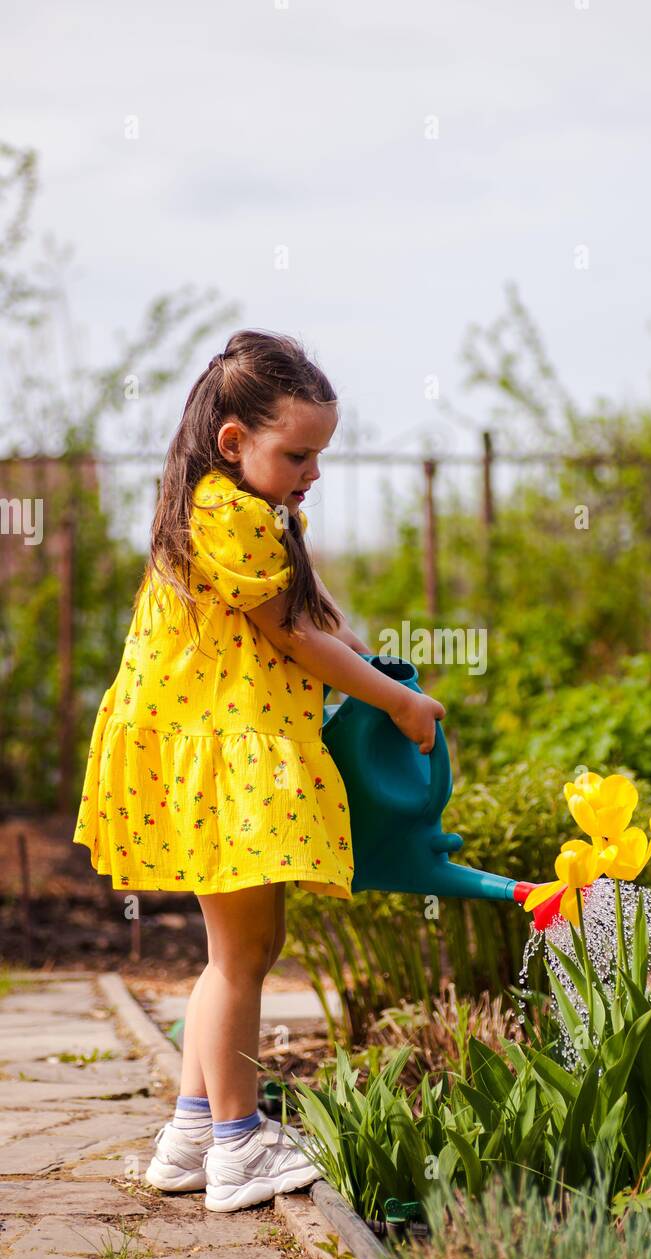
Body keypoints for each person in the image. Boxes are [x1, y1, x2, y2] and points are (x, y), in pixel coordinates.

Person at [72, 329, 445, 1212]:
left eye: (320, 455)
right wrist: (396, 704)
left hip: (216, 748)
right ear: (235, 440)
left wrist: (373, 663)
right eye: (300, 453)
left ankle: (194, 1131)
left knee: (239, 953)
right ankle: (239, 1145)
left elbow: (311, 615)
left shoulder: (238, 508)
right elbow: (292, 636)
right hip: (223, 754)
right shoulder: (226, 511)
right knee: (241, 959)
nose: (313, 471)